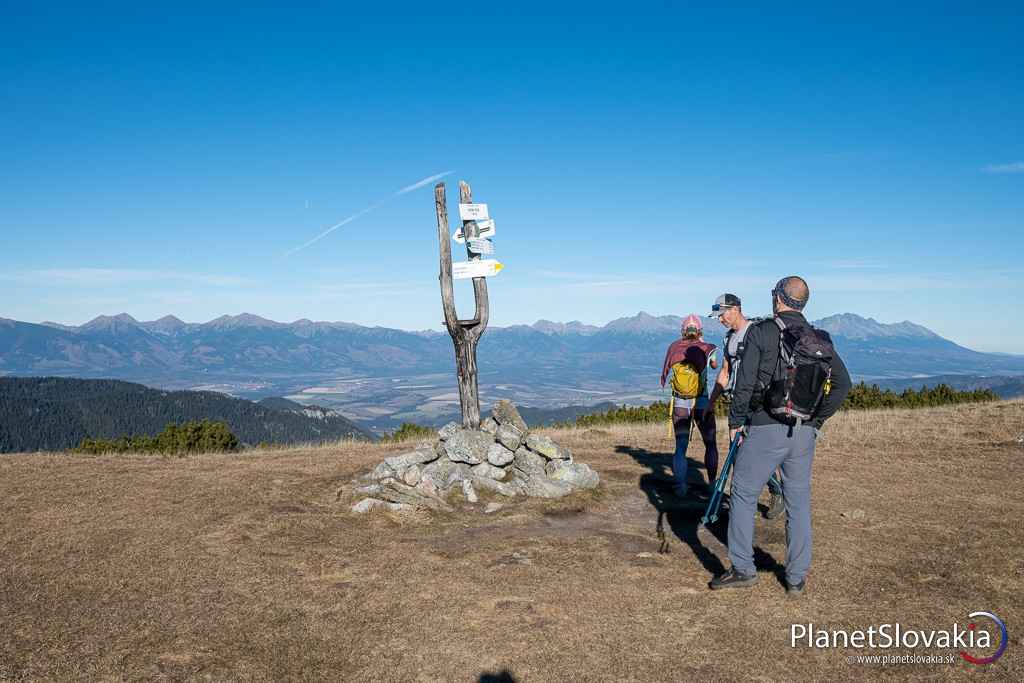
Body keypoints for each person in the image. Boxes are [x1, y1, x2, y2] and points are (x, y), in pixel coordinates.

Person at [709, 277, 851, 596]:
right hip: (803, 433)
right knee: (797, 501)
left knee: (744, 493)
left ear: (778, 299)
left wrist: (735, 424)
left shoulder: (762, 331)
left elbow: (744, 384)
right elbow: (843, 384)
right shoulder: (818, 338)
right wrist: (816, 421)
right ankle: (796, 577)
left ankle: (743, 569)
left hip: (763, 426)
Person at [707, 293, 785, 520]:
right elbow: (725, 372)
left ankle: (775, 492)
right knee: (739, 453)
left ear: (735, 309)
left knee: (759, 454)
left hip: (759, 404)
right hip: (737, 402)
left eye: (722, 315)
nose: (720, 319)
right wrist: (711, 402)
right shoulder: (727, 339)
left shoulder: (756, 332)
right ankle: (743, 502)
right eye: (718, 316)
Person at [660, 314, 719, 498]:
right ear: (699, 330)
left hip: (680, 402)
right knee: (710, 444)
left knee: (681, 446)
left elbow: (666, 370)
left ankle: (680, 486)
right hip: (701, 401)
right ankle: (711, 484)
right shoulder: (707, 348)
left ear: (683, 330)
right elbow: (715, 365)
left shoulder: (674, 348)